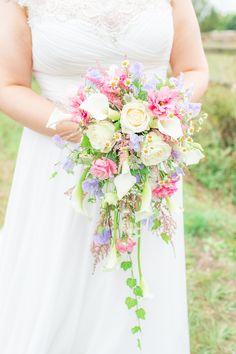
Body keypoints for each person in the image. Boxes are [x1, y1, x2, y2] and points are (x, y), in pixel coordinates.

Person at [0, 1, 209, 353]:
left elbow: (193, 68)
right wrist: (79, 129)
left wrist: (156, 118)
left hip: (146, 157)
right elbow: (8, 85)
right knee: (55, 279)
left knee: (137, 275)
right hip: (58, 159)